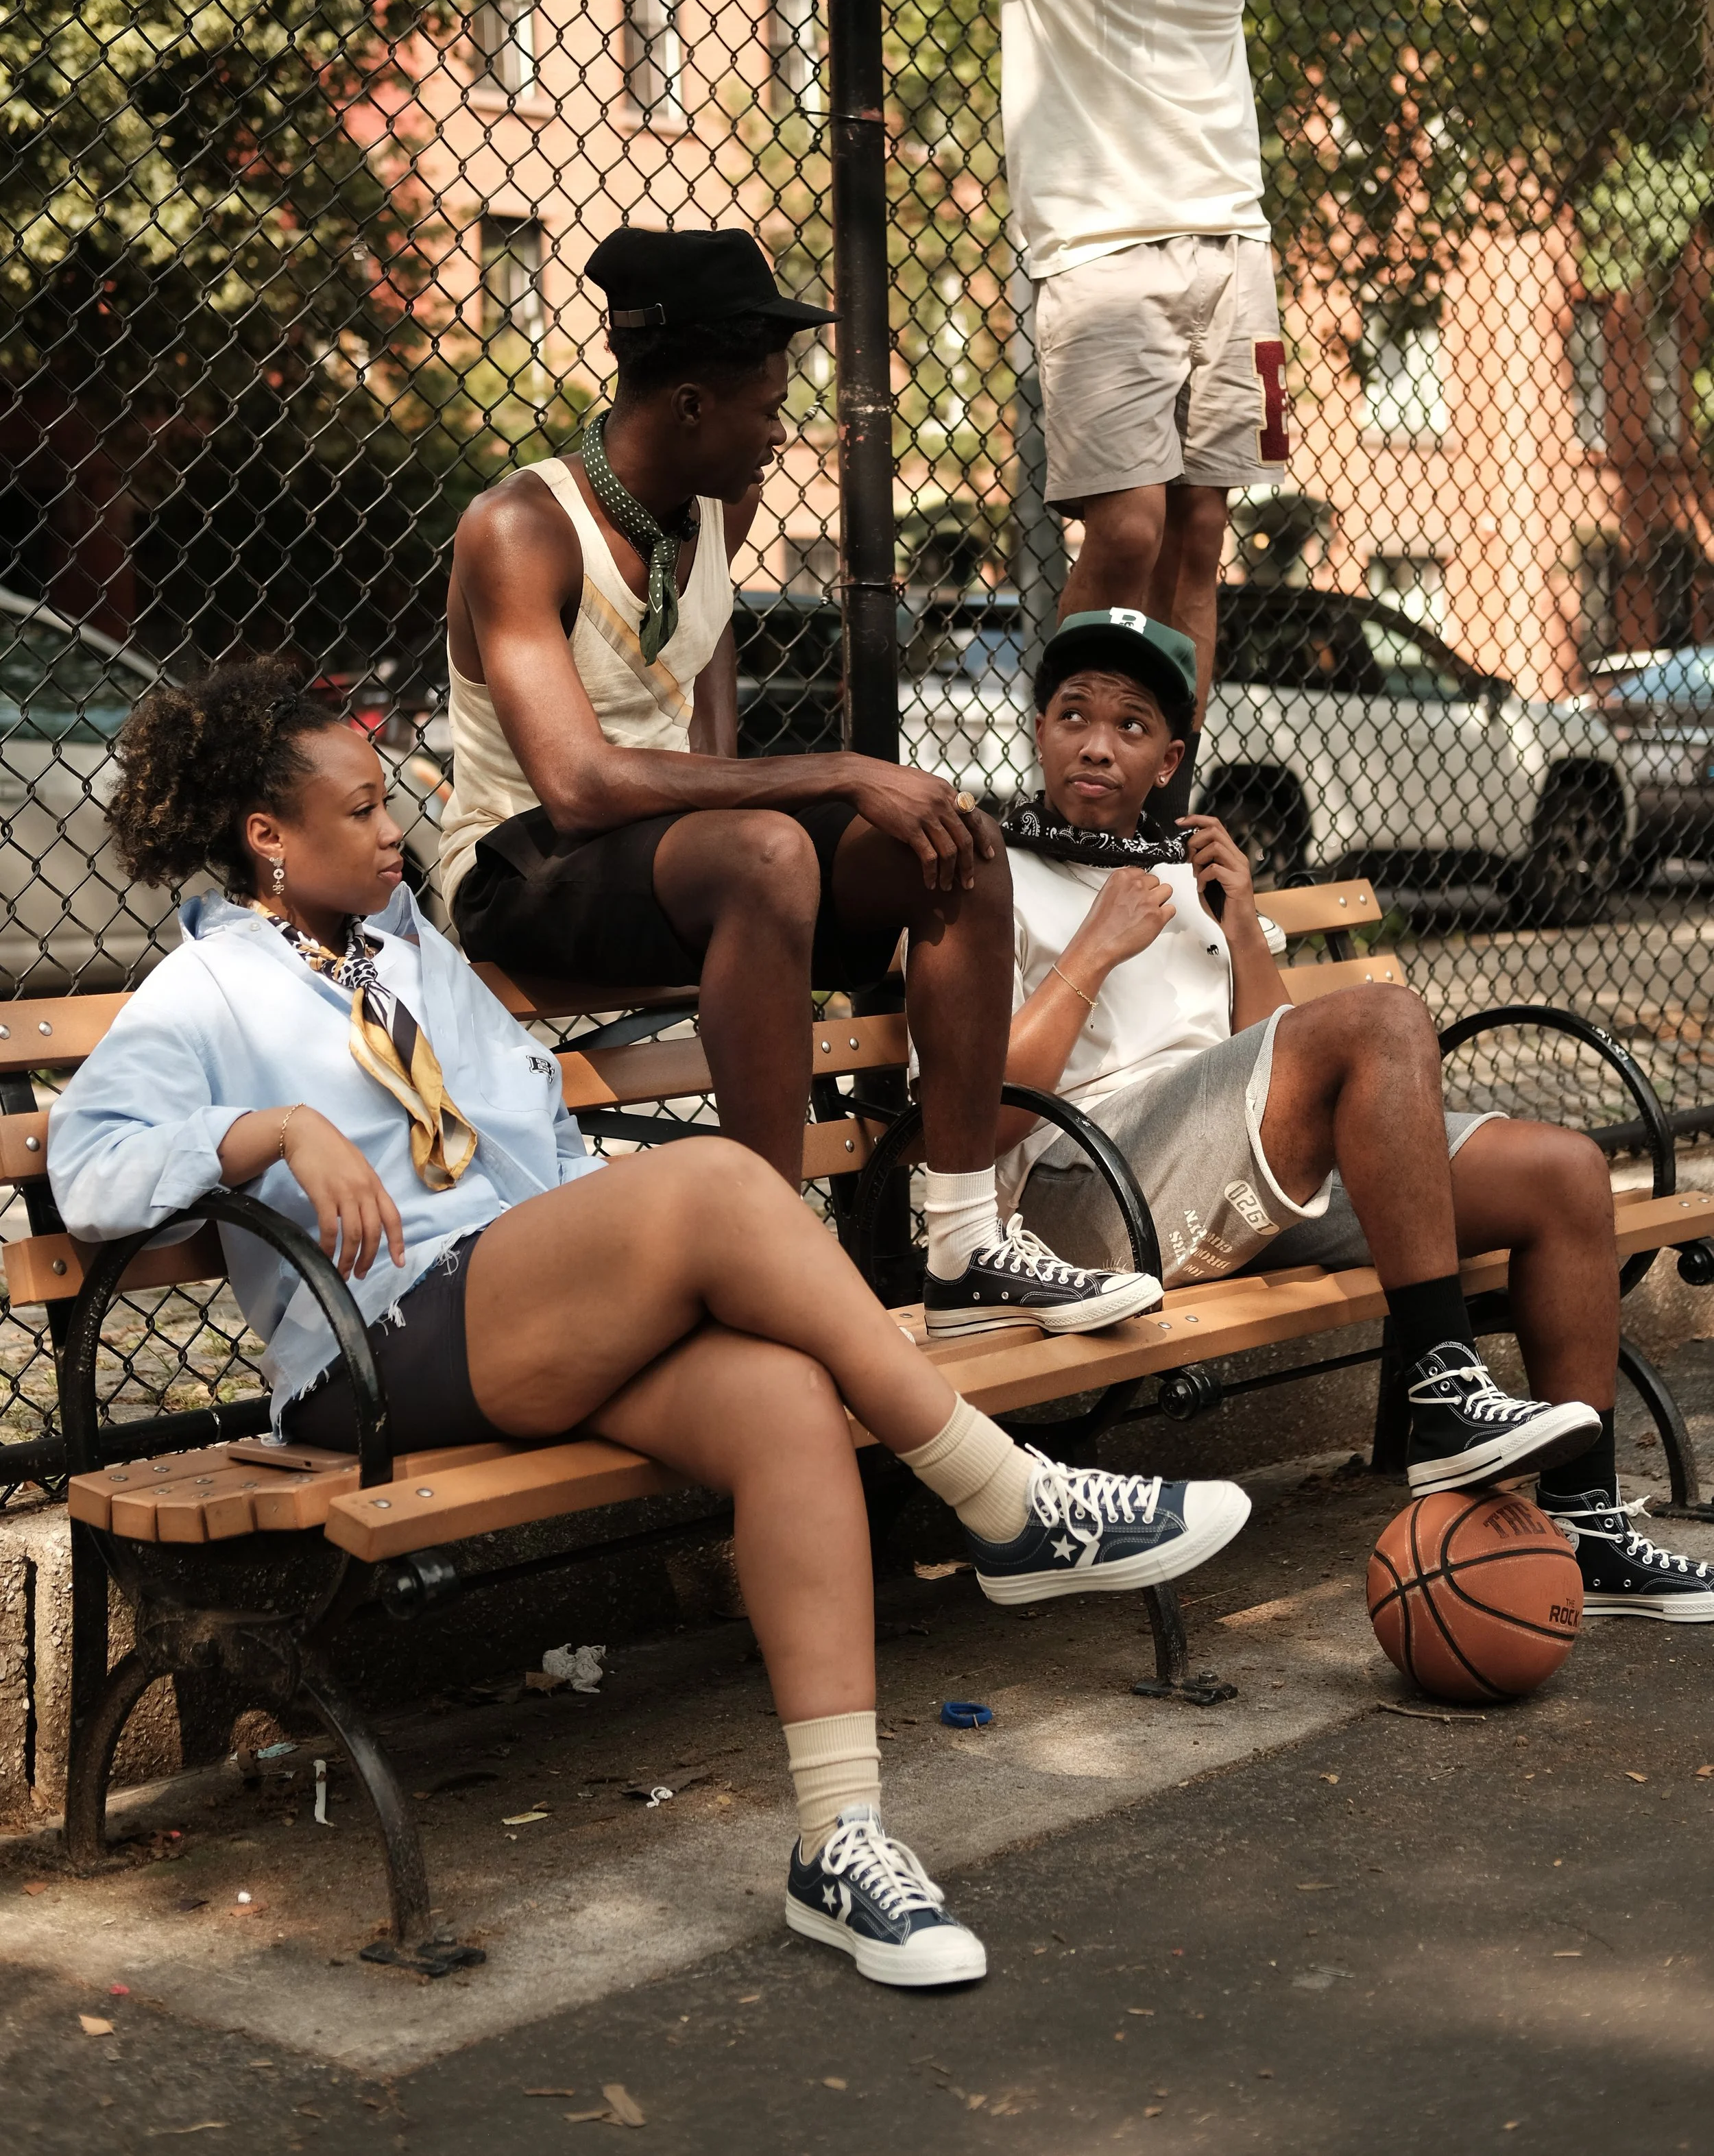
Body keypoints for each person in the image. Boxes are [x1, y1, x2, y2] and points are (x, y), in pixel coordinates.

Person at [47, 661, 1255, 1988]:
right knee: (719, 1178)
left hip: (515, 1308)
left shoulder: (409, 955)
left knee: (782, 1402)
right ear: (268, 838)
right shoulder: (205, 991)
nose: (397, 831)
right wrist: (268, 1128)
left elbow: (529, 1129)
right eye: (363, 810)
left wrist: (605, 1249)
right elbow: (88, 1169)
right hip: (374, 1349)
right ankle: (1003, 1494)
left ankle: (840, 1840)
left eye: (390, 801)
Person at [564, 0, 1298, 815]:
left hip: (1236, 246)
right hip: (1100, 254)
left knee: (1201, 537)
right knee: (1125, 531)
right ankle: (1073, 802)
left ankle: (1158, 811)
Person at [439, 222, 1157, 1340]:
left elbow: (715, 754)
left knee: (952, 841)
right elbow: (576, 787)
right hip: (522, 862)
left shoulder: (715, 512)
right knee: (771, 850)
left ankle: (963, 1243)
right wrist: (839, 772)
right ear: (690, 405)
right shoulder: (521, 527)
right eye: (768, 408)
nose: (784, 431)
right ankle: (771, 1264)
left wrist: (843, 803)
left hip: (678, 857)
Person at [993, 607, 1714, 1616]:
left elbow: (1269, 1056)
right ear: (1039, 730)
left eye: (1132, 725)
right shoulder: (994, 873)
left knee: (1564, 1173)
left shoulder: (1179, 868)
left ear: (1170, 759)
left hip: (1229, 1173)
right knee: (1382, 1016)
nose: (1098, 745)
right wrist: (1093, 949)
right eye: (1074, 715)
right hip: (1086, 1198)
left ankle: (1589, 1527)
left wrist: (1243, 926)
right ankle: (1444, 1389)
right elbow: (979, 1117)